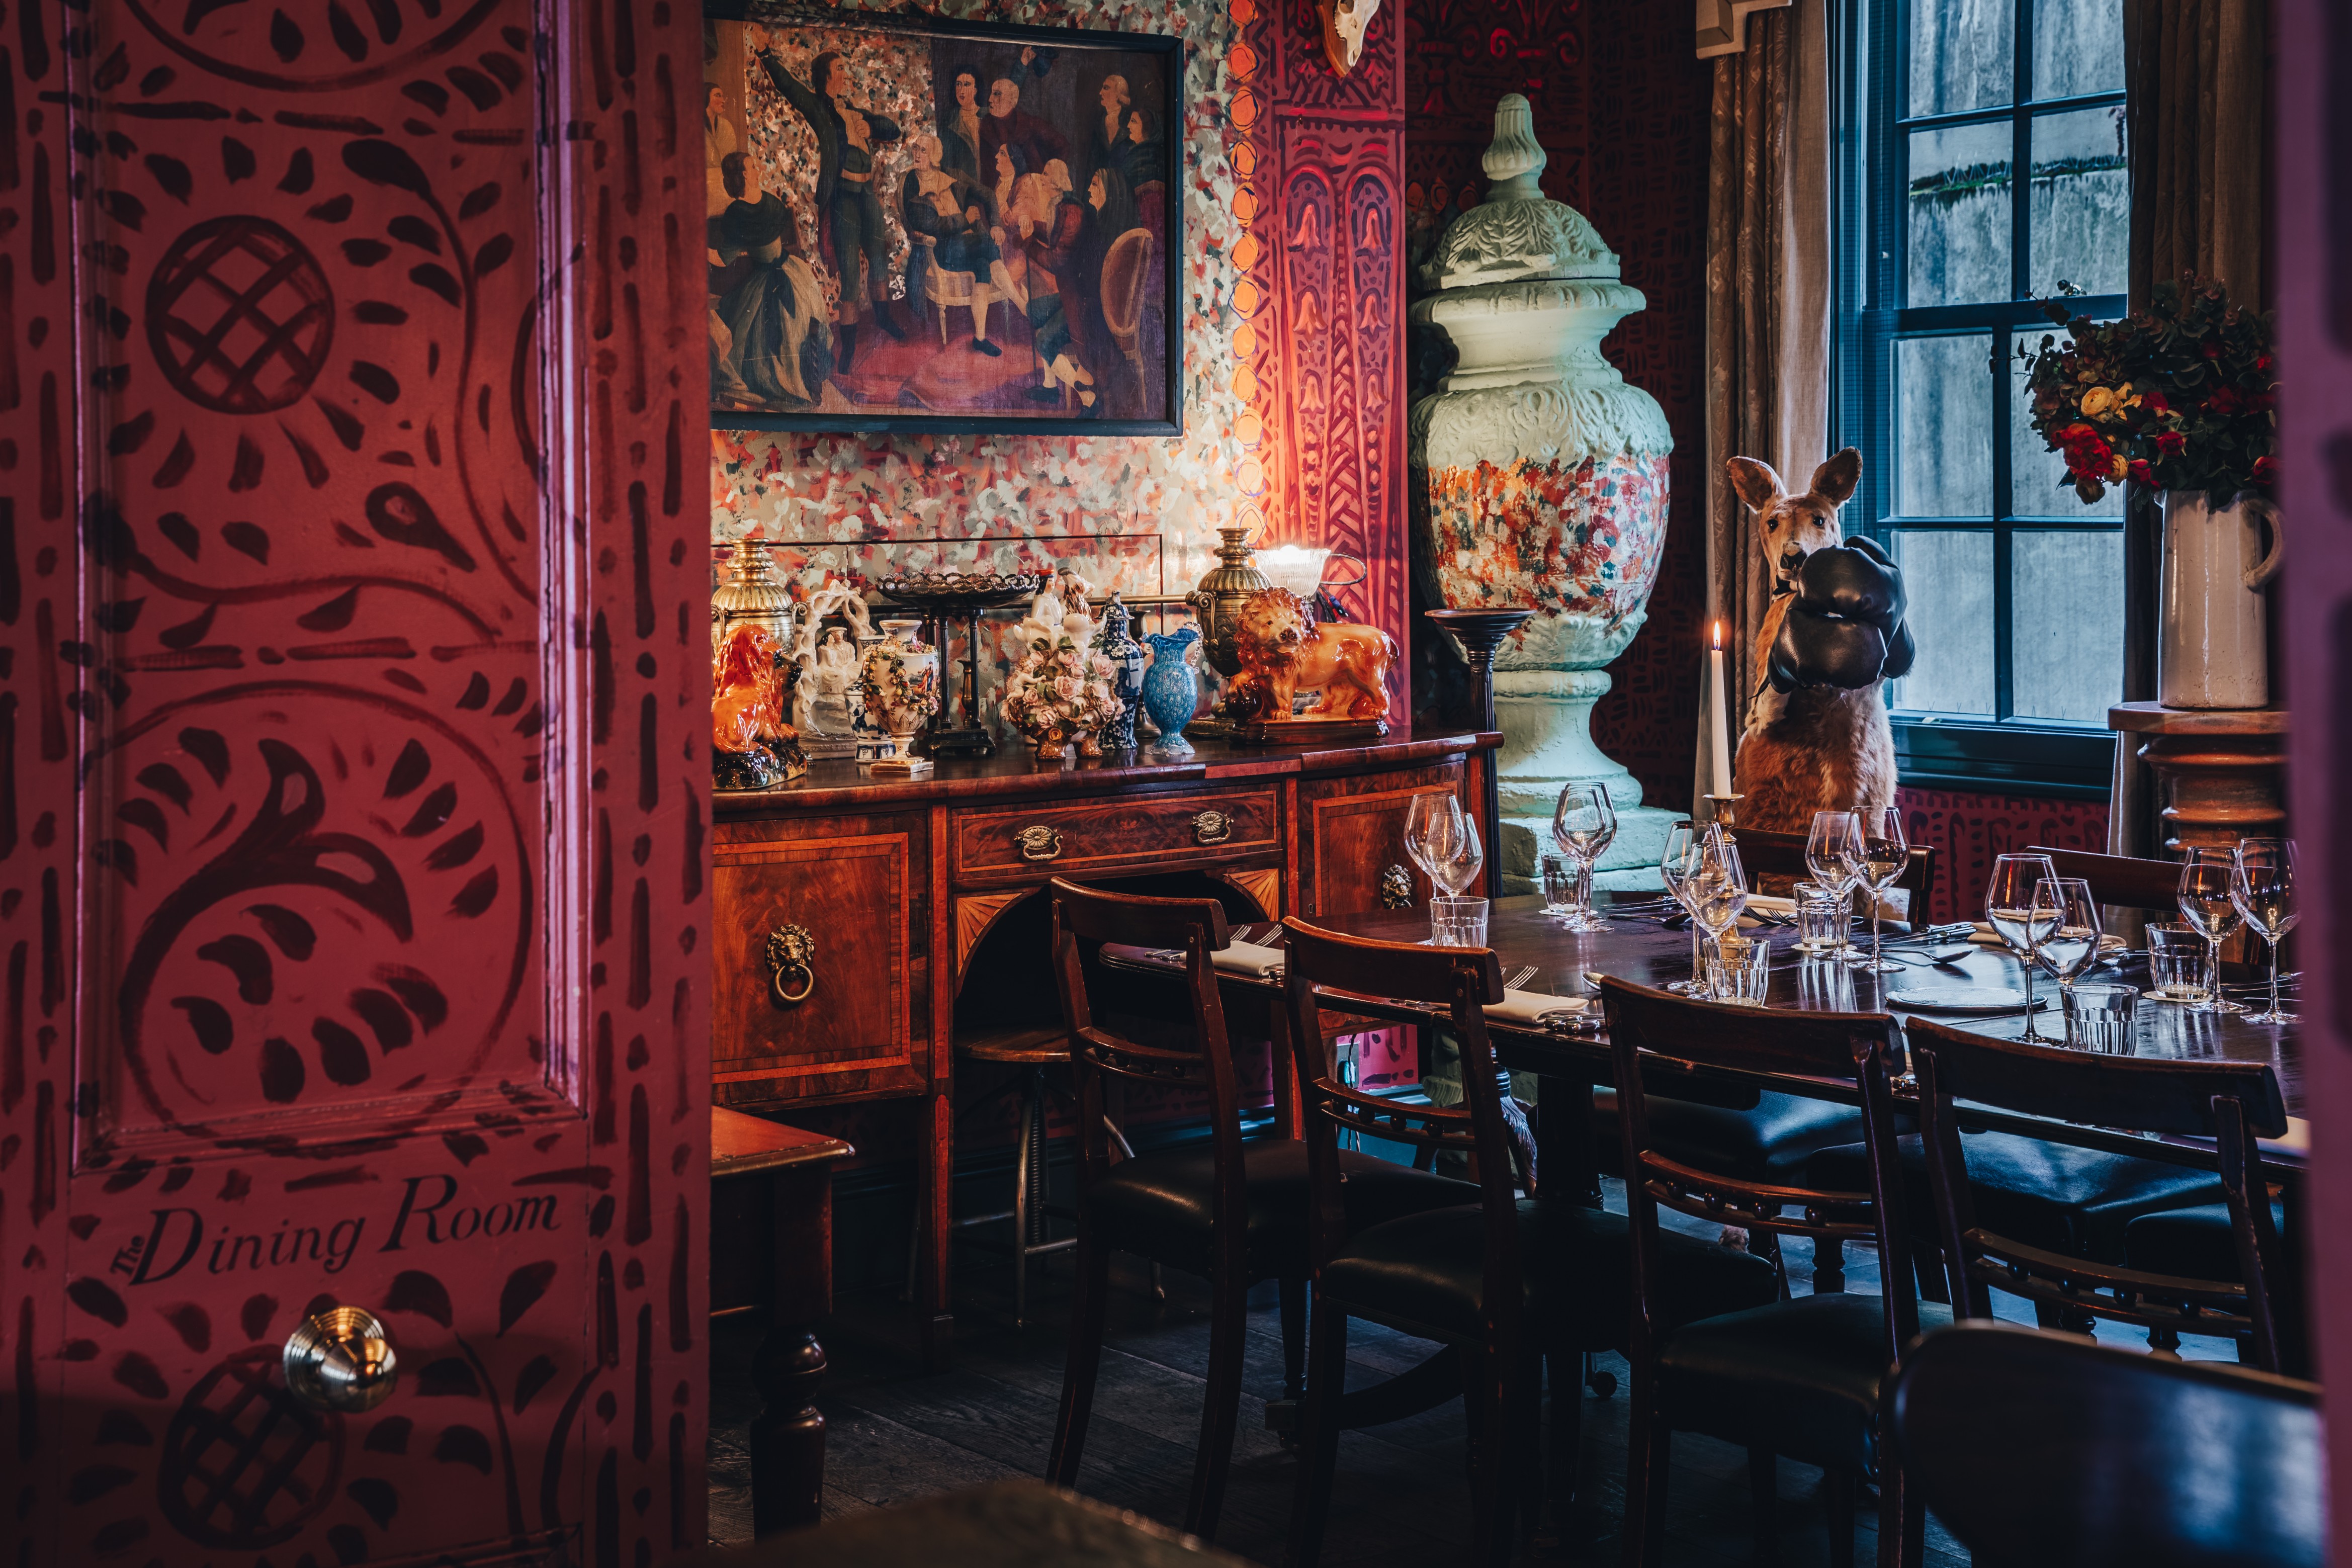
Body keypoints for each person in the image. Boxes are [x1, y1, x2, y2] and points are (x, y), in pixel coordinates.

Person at [748, 28, 909, 371]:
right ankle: (848, 348)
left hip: (867, 194)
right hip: (843, 199)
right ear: (825, 76)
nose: (844, 74)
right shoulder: (819, 107)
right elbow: (789, 87)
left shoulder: (853, 110)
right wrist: (765, 53)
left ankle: (883, 320)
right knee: (851, 276)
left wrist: (871, 127)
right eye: (839, 69)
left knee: (880, 262)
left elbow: (892, 130)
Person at [708, 153, 831, 409]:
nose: (757, 168)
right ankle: (792, 383)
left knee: (802, 318)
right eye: (753, 166)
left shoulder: (770, 202)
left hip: (789, 270)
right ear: (743, 174)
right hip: (766, 277)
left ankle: (807, 376)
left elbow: (723, 257)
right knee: (775, 330)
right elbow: (723, 258)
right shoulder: (738, 213)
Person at [899, 134, 1024, 356]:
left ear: (934, 156)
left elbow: (986, 194)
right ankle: (1021, 304)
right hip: (943, 250)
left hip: (967, 245)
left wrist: (996, 224)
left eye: (923, 151)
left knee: (983, 265)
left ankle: (980, 338)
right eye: (916, 148)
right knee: (986, 242)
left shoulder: (952, 175)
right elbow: (931, 225)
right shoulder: (912, 185)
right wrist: (965, 219)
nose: (917, 154)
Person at [978, 73, 1067, 193]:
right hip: (997, 197)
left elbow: (1063, 145)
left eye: (997, 94)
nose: (990, 99)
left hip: (1032, 194)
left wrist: (1050, 179)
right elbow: (985, 175)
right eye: (992, 93)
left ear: (1012, 100)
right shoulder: (986, 127)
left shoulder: (1030, 124)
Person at [1086, 74, 1131, 190]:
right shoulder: (1098, 123)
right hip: (1100, 190)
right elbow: (1092, 164)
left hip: (1123, 189)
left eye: (1106, 88)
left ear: (1118, 94)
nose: (1101, 93)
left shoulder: (1130, 121)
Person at [939, 68, 984, 181]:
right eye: (959, 84)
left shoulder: (986, 115)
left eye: (967, 85)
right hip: (964, 187)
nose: (961, 90)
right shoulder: (950, 119)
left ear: (975, 90)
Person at [704, 78, 738, 218]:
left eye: (723, 96)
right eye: (718, 95)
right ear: (705, 97)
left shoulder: (727, 127)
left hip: (726, 187)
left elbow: (732, 160)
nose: (723, 100)